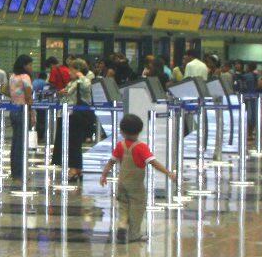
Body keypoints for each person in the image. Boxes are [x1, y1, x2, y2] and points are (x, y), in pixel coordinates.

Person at [101, 114, 176, 242]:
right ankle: (134, 235)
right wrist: (168, 173)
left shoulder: (120, 145)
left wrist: (104, 175)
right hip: (136, 186)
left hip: (122, 183)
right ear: (139, 130)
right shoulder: (141, 147)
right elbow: (153, 163)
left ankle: (122, 224)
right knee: (137, 209)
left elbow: (111, 162)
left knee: (123, 206)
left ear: (122, 131)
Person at [56, 59, 94, 182]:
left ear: (78, 70)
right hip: (68, 115)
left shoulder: (84, 80)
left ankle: (73, 169)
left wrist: (80, 75)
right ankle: (77, 169)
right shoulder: (72, 83)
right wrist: (61, 93)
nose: (69, 72)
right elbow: (67, 97)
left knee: (74, 144)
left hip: (76, 116)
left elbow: (87, 86)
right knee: (72, 144)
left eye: (71, 70)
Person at [8, 55, 34, 180]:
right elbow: (28, 97)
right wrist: (32, 113)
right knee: (22, 142)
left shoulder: (12, 76)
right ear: (24, 65)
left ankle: (15, 171)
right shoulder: (25, 77)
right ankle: (21, 172)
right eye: (30, 65)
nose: (31, 67)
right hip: (23, 110)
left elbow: (6, 90)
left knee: (15, 142)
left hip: (14, 110)